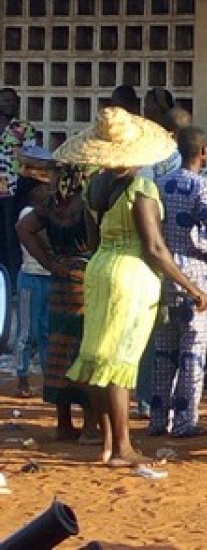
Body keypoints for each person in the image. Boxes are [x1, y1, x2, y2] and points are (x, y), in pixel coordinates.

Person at [54, 106, 207, 467]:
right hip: (131, 275)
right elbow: (155, 248)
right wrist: (194, 290)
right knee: (120, 361)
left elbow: (94, 238)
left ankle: (108, 443)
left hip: (99, 269)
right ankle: (124, 448)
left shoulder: (95, 186)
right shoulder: (141, 187)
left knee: (98, 358)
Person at [17, 161, 100, 442]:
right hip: (87, 280)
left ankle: (63, 424)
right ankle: (90, 428)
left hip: (60, 281)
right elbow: (95, 240)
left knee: (59, 348)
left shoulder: (53, 203)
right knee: (86, 351)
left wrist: (51, 263)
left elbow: (23, 229)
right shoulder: (89, 203)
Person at [148, 127, 207, 438]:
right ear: (203, 151)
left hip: (164, 273)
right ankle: (185, 422)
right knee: (192, 351)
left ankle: (156, 420)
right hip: (195, 274)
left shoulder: (159, 184)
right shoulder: (202, 187)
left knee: (164, 350)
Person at [12, 149, 53, 398]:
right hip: (32, 275)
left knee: (45, 330)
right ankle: (22, 378)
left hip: (41, 276)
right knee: (28, 332)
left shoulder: (39, 213)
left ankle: (46, 377)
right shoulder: (29, 214)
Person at [0, 87, 37, 277]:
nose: (10, 104)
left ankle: (13, 280)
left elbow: (31, 157)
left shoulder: (24, 129)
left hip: (13, 190)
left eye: (13, 101)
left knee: (11, 237)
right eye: (5, 101)